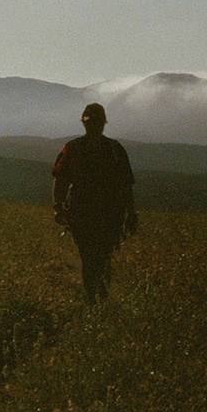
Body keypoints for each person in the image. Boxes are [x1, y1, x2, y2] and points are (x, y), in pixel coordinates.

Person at [51, 102, 137, 302]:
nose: (94, 125)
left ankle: (97, 300)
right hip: (84, 212)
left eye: (97, 121)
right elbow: (61, 180)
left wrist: (131, 213)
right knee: (92, 258)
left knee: (100, 257)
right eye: (91, 121)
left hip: (108, 213)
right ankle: (96, 299)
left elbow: (126, 184)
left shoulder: (112, 149)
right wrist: (57, 207)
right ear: (84, 123)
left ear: (103, 123)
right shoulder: (79, 148)